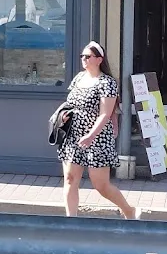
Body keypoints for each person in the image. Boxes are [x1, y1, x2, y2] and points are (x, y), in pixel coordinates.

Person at [56, 41, 140, 219]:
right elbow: (70, 104)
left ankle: (128, 210)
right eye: (82, 56)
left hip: (98, 137)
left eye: (88, 56)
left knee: (101, 185)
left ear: (99, 59)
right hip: (73, 135)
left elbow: (105, 114)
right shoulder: (79, 78)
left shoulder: (107, 82)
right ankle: (71, 221)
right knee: (70, 179)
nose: (84, 59)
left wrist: (90, 136)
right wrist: (63, 115)